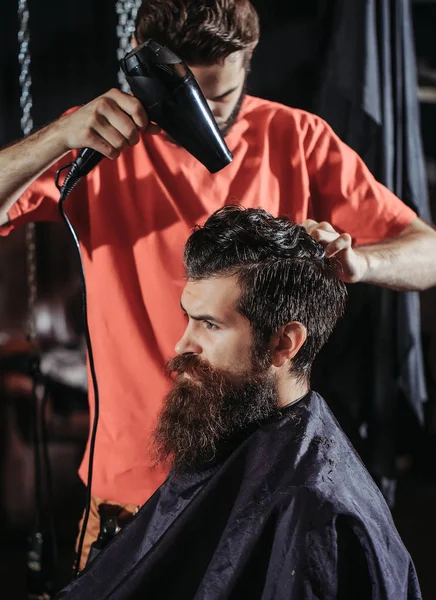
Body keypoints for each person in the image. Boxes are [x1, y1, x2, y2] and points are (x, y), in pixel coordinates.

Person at [0, 0, 435, 569]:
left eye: (220, 99)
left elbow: (427, 252)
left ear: (248, 64)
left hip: (259, 493)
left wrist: (363, 263)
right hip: (127, 498)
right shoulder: (99, 146)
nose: (200, 117)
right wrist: (56, 137)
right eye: (182, 102)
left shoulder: (297, 137)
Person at [55, 206, 421, 599]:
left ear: (284, 343)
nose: (181, 346)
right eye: (189, 319)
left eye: (210, 325)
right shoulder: (227, 419)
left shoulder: (314, 509)